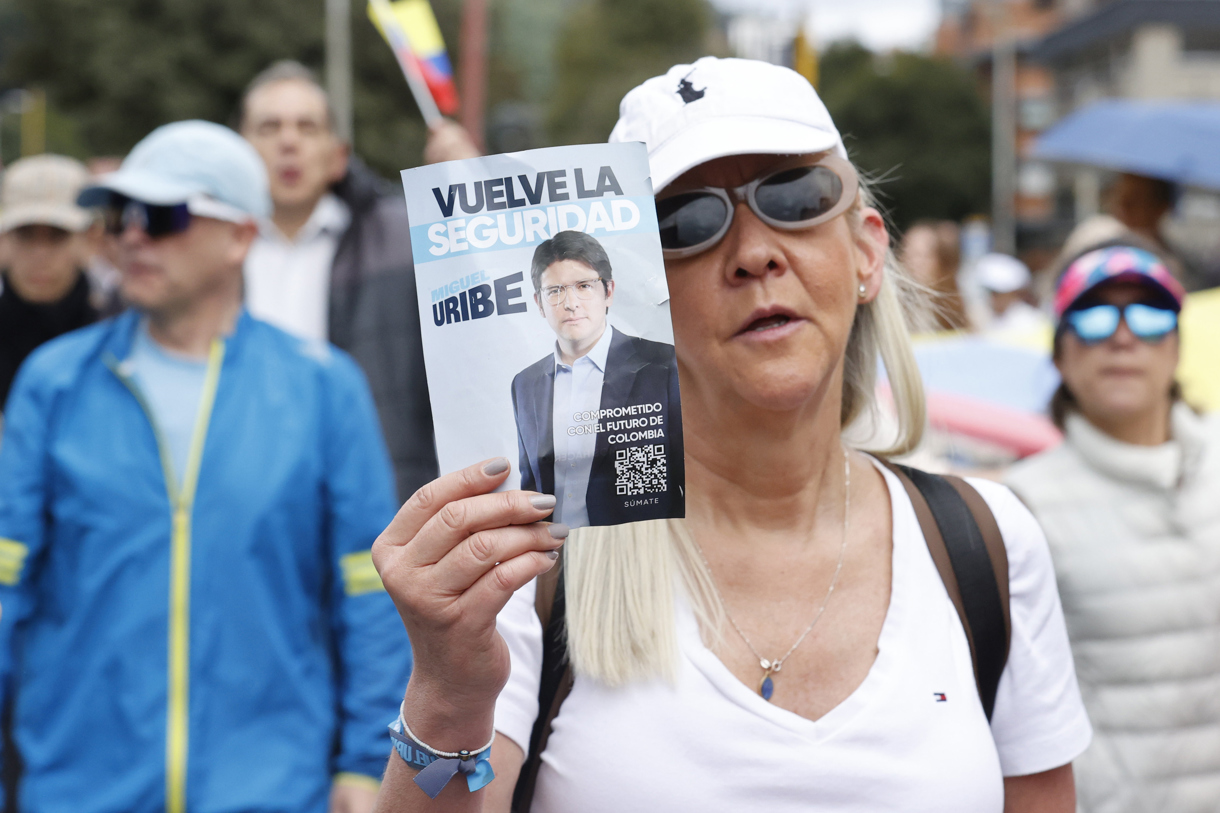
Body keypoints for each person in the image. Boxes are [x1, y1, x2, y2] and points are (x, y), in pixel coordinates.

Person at [369, 57, 1090, 812]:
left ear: (867, 252)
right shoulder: (535, 565)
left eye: (796, 197)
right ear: (634, 293)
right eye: (686, 223)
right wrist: (446, 697)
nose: (754, 254)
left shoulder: (987, 545)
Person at [0, 121, 408, 813]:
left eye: (163, 215)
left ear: (240, 237)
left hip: (275, 792)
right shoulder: (54, 382)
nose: (133, 237)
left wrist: (366, 764)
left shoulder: (323, 388)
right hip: (78, 789)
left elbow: (370, 590)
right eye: (121, 215)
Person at [1006, 244, 1220, 813]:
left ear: (1177, 347)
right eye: (1094, 317)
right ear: (1059, 354)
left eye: (1149, 316)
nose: (1123, 337)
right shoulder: (1020, 507)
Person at [239, 60, 442, 503]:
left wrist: (464, 193)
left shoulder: (408, 241)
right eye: (269, 127)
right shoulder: (206, 250)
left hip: (374, 497)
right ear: (239, 150)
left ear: (338, 155)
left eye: (307, 127)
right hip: (241, 492)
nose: (288, 142)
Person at [510, 230, 683, 528]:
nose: (571, 303)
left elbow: (692, 479)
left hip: (642, 544)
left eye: (584, 286)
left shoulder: (663, 365)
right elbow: (531, 488)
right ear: (539, 303)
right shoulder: (524, 383)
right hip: (553, 549)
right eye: (555, 291)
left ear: (608, 291)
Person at [0, 154, 99, 409]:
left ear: (88, 239)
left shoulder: (119, 335)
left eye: (57, 235)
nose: (40, 254)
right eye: (25, 234)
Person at [900, 219, 969, 331]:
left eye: (922, 256)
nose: (915, 263)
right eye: (909, 255)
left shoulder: (963, 306)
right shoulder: (897, 307)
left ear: (942, 260)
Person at [974, 252, 1051, 336]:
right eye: (989, 292)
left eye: (997, 293)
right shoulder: (981, 317)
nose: (992, 297)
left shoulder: (1032, 323)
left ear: (1014, 293)